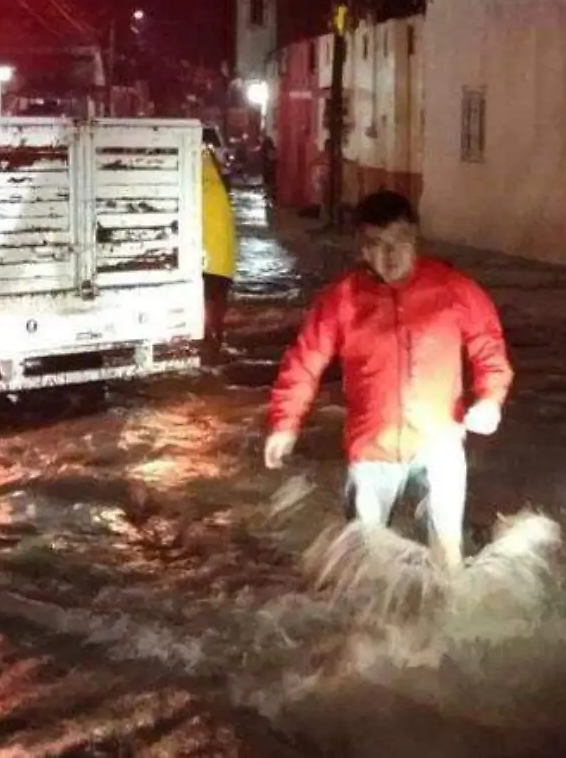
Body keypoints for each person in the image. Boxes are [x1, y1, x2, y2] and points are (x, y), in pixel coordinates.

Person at [264, 190, 513, 569]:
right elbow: (304, 361)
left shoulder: (454, 290)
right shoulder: (342, 300)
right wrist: (284, 424)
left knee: (447, 556)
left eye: (400, 242)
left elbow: (489, 349)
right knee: (366, 560)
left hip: (440, 439)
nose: (391, 255)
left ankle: (448, 620)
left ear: (416, 238)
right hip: (372, 447)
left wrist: (490, 399)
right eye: (377, 245)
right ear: (361, 248)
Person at [200, 128, 237, 366]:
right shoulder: (217, 171)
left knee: (209, 302)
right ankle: (214, 344)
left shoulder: (196, 168)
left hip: (205, 254)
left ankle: (210, 345)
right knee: (216, 303)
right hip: (220, 256)